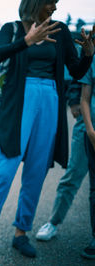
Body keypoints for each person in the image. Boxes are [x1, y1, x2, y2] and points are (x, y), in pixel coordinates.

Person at [0, 0, 94, 262]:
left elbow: (75, 70)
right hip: (18, 101)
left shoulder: (59, 31)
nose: (55, 8)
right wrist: (27, 40)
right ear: (36, 2)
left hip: (49, 98)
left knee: (36, 171)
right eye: (51, 3)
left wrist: (88, 55)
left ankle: (21, 232)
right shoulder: (12, 29)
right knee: (4, 170)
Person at [35, 78, 88, 241]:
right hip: (87, 123)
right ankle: (53, 222)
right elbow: (78, 74)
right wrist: (73, 100)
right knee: (73, 174)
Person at [80, 53, 95, 259]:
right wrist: (90, 131)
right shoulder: (93, 60)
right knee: (94, 187)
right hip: (93, 134)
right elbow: (84, 99)